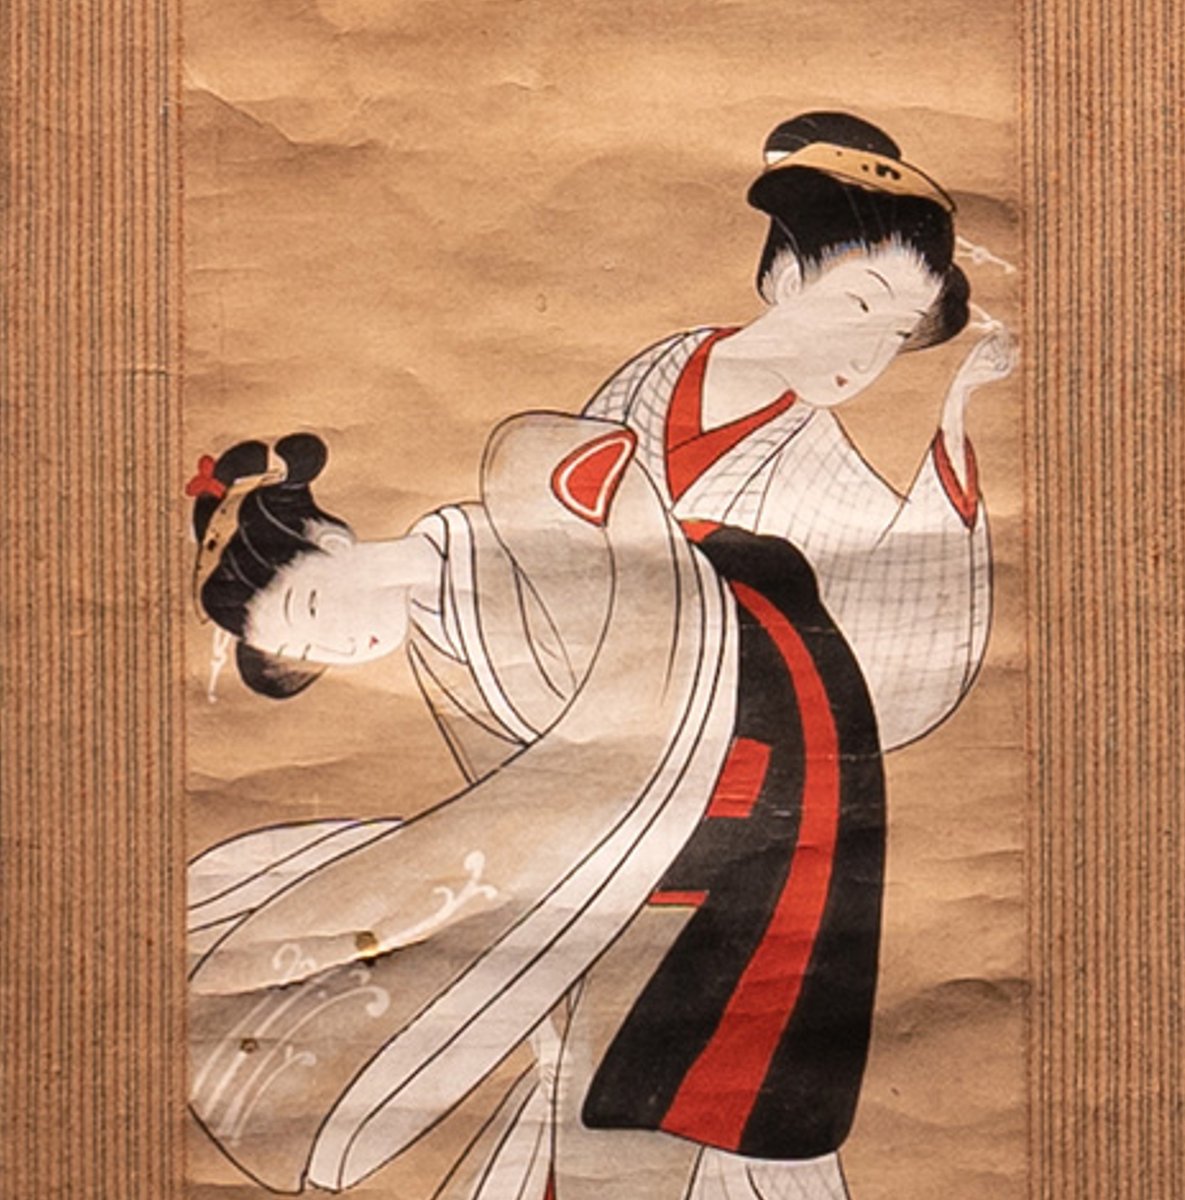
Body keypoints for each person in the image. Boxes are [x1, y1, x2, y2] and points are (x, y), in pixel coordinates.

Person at [185, 112, 1013, 1200]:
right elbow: (563, 611)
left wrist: (949, 442)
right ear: (783, 272)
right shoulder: (642, 390)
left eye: (890, 332)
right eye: (854, 305)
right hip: (615, 809)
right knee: (599, 1093)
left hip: (749, 784)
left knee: (662, 1094)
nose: (864, 359)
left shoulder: (810, 467)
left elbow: (891, 649)